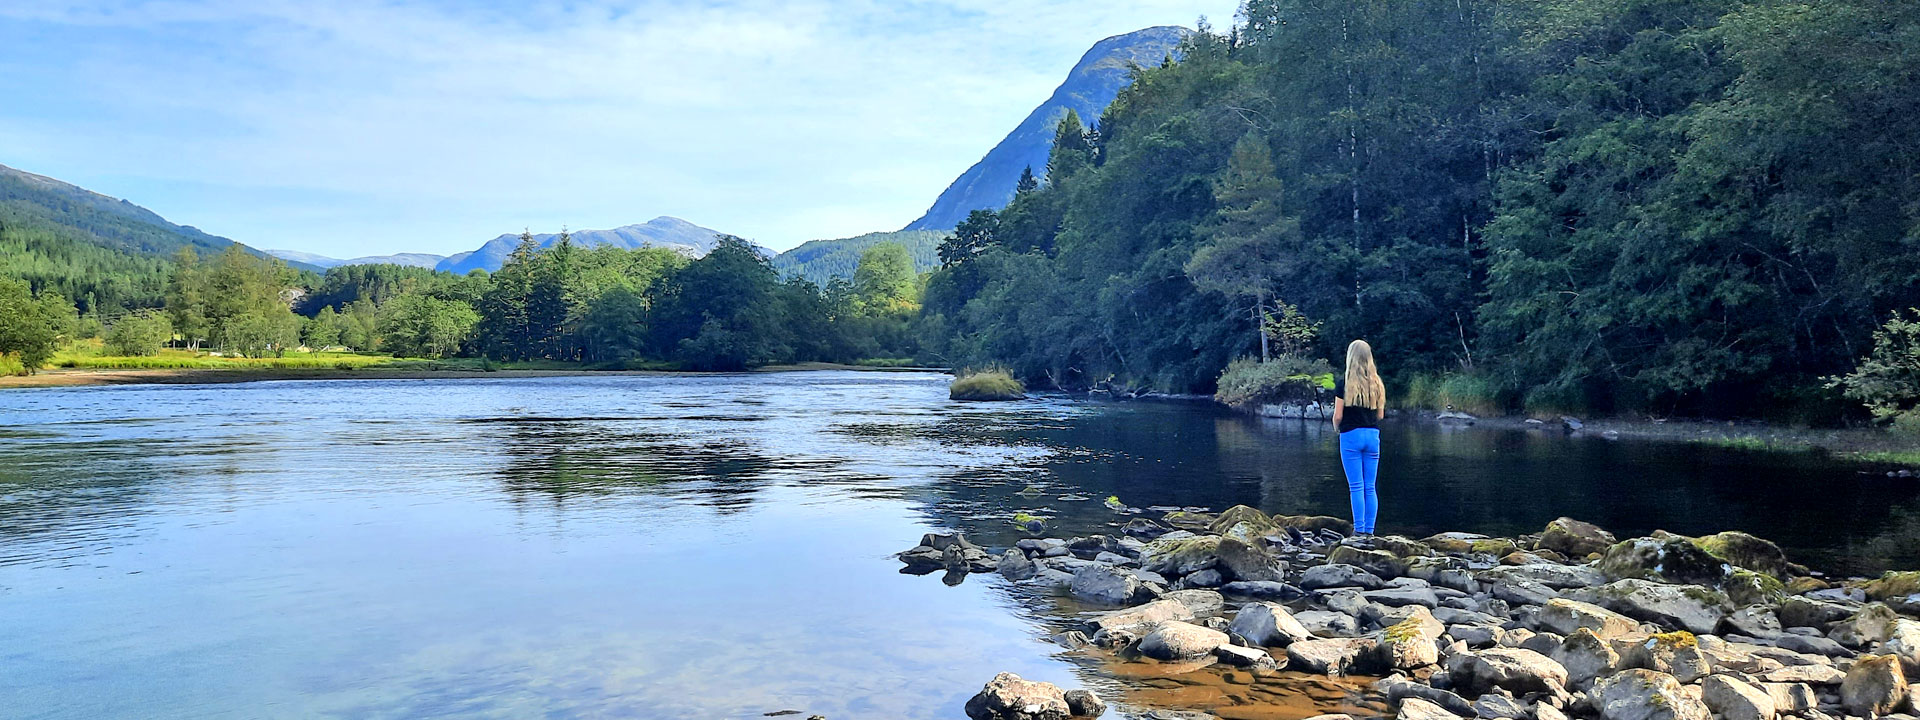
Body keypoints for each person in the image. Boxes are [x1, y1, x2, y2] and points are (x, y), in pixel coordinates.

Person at [1331, 339, 1385, 536]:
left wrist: (1336, 429)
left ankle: (1359, 530)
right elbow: (1380, 415)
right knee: (1370, 486)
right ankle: (1370, 532)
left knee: (1356, 487)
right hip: (1372, 436)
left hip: (1351, 436)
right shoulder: (1377, 382)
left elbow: (1338, 416)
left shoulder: (1343, 383)